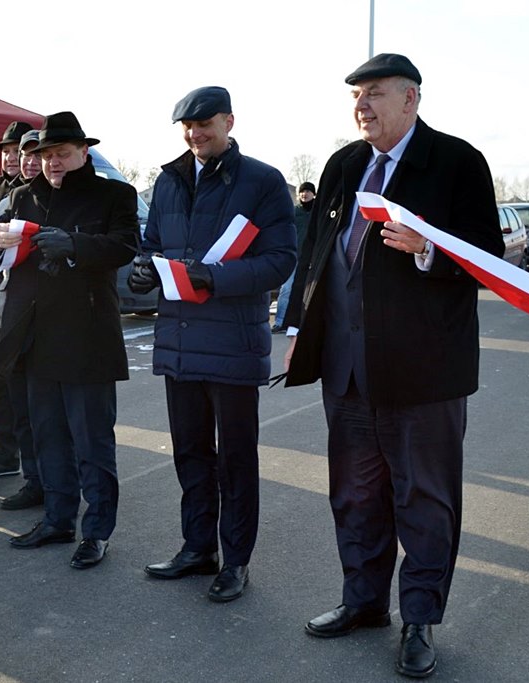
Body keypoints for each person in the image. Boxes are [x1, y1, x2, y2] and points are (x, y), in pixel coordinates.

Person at [283, 54, 503, 679]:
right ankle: (363, 602)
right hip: (346, 369)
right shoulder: (343, 165)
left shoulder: (456, 161)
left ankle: (419, 620)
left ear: (411, 99)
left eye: (375, 93)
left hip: (424, 372)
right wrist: (298, 330)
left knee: (424, 501)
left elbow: (489, 257)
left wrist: (430, 249)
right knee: (355, 495)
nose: (362, 106)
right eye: (357, 96)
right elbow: (316, 252)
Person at [129, 86, 296, 601]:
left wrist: (213, 277)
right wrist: (143, 271)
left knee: (236, 461)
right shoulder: (168, 181)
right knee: (191, 452)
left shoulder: (263, 181)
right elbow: (152, 246)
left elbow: (281, 260)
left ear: (229, 122)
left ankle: (236, 560)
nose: (195, 133)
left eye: (204, 123)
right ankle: (198, 548)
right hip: (179, 341)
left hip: (233, 343)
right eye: (187, 126)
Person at [0, 112, 139, 569]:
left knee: (92, 443)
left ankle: (98, 531)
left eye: (62, 154)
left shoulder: (114, 194)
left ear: (83, 153)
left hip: (87, 337)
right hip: (35, 337)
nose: (53, 162)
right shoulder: (21, 196)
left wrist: (74, 244)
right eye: (47, 154)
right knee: (48, 437)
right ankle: (57, 518)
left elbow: (125, 245)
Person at [0, 129, 44, 511]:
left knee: (41, 400)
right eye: (12, 151)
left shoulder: (53, 195)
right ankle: (7, 454)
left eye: (28, 152)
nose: (18, 158)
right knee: (0, 384)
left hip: (41, 313)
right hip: (0, 302)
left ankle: (50, 475)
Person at [272, 181, 315, 331]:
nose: (304, 194)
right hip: (294, 256)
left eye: (308, 191)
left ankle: (306, 323)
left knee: (310, 290)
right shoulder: (293, 212)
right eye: (302, 191)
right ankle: (280, 322)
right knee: (286, 289)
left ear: (313, 194)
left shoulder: (318, 211)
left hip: (312, 257)